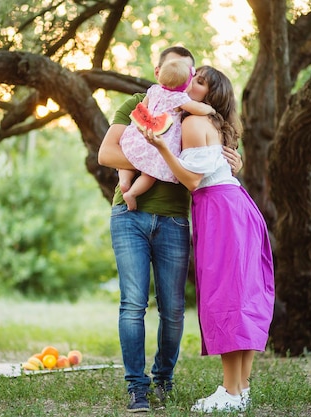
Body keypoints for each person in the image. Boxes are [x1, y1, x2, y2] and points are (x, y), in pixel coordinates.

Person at [97, 47, 243, 413]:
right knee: (133, 304)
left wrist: (234, 158)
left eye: (193, 73)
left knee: (174, 309)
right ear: (157, 68)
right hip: (128, 216)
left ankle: (163, 379)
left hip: (175, 217)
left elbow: (209, 159)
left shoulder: (191, 110)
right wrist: (156, 155)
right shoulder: (139, 100)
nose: (186, 79)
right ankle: (137, 388)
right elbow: (106, 154)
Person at [143, 65, 275, 413]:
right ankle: (241, 388)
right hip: (237, 208)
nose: (191, 84)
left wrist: (160, 147)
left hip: (220, 210)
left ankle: (230, 394)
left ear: (210, 95)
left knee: (226, 298)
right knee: (241, 297)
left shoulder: (190, 123)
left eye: (199, 82)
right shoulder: (216, 124)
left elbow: (192, 181)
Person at [119, 58, 215, 211]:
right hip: (157, 141)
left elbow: (142, 108)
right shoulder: (179, 98)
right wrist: (209, 110)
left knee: (129, 155)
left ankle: (124, 181)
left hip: (139, 134)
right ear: (185, 85)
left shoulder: (154, 89)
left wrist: (142, 121)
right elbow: (198, 109)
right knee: (149, 174)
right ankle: (132, 193)